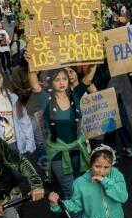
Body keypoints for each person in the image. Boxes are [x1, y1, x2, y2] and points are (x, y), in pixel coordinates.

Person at [28, 63, 96, 201]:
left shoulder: (75, 94)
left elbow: (88, 77)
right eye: (57, 80)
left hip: (78, 150)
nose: (61, 83)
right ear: (51, 82)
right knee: (70, 191)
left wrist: (95, 59)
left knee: (80, 186)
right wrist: (31, 62)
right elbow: (34, 84)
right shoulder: (46, 99)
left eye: (64, 79)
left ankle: (82, 215)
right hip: (58, 155)